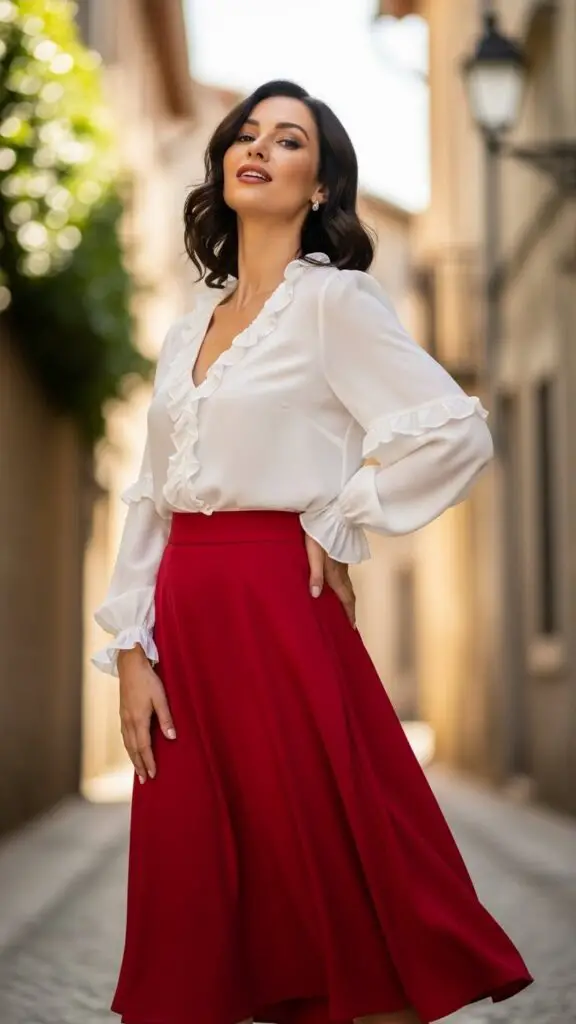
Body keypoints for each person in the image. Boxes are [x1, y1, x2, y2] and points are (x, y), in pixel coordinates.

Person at [92, 80, 532, 1024]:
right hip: (185, 620)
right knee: (193, 895)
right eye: (244, 134)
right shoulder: (184, 332)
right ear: (221, 163)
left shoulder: (334, 303)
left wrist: (342, 516)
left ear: (321, 186)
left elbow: (455, 432)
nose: (257, 148)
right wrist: (132, 650)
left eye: (287, 140)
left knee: (317, 876)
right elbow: (149, 496)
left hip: (280, 613)